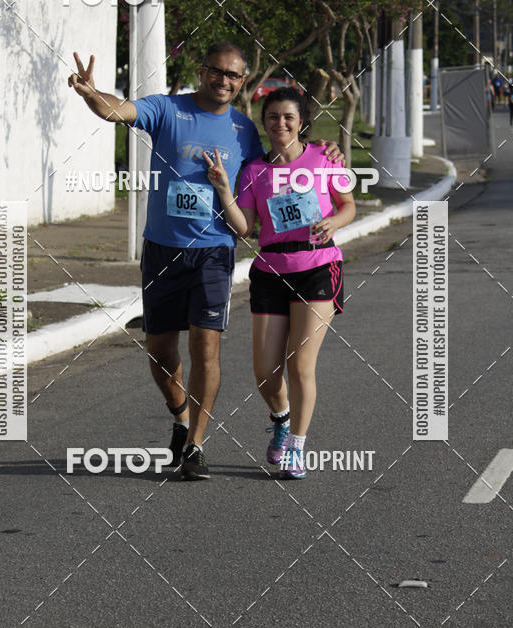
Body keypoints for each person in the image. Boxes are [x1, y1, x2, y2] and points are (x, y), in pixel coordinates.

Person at [68, 45, 343, 481]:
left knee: (206, 346)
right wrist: (89, 93)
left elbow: (285, 153)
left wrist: (324, 153)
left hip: (215, 250)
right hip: (162, 247)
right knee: (159, 351)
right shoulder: (167, 109)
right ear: (203, 71)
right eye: (217, 72)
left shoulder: (244, 130)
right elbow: (117, 110)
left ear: (241, 81)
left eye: (234, 76)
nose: (224, 80)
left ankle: (195, 444)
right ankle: (180, 417)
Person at [204, 87, 355, 479]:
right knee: (265, 373)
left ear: (302, 122)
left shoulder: (324, 158)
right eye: (273, 117)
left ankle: (297, 448)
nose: (281, 124)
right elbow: (246, 227)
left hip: (318, 267)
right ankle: (281, 419)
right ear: (264, 123)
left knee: (300, 363)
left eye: (289, 117)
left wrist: (332, 222)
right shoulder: (255, 171)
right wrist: (224, 190)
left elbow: (348, 205)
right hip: (270, 271)